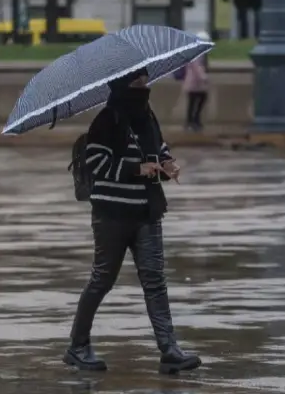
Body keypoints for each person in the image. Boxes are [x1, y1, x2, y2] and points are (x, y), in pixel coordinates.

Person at [63, 67, 202, 375]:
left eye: (145, 81)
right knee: (102, 279)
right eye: (137, 82)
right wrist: (137, 169)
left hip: (147, 211)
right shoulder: (106, 120)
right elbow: (97, 163)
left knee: (155, 281)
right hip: (112, 215)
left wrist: (166, 164)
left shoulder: (147, 118)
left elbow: (158, 148)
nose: (144, 86)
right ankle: (78, 345)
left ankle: (169, 349)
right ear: (123, 85)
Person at [183, 31, 210, 132]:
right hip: (194, 82)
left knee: (195, 101)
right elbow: (196, 67)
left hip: (196, 83)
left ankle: (193, 121)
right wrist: (204, 77)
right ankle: (192, 121)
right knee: (194, 101)